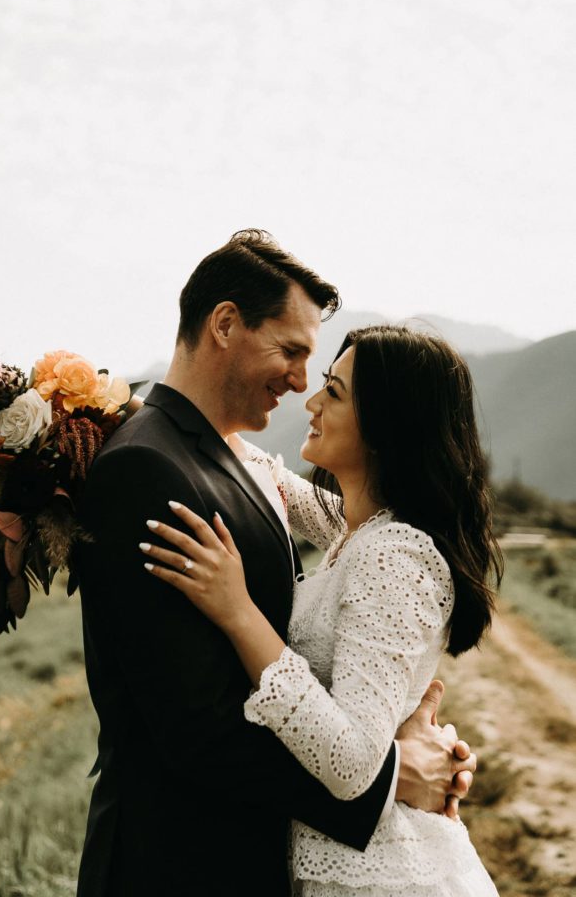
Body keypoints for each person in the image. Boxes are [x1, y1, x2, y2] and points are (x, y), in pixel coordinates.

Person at [75, 231, 476, 897]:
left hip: (268, 857)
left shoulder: (263, 477)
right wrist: (390, 776)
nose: (301, 389)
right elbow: (197, 727)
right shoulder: (151, 465)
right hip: (177, 864)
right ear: (225, 324)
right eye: (292, 353)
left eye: (325, 382)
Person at [143, 323, 503, 896]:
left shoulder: (394, 556)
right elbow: (269, 480)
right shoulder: (357, 529)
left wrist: (239, 614)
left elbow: (353, 761)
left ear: (387, 423)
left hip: (379, 880)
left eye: (332, 392)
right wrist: (104, 410)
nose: (310, 400)